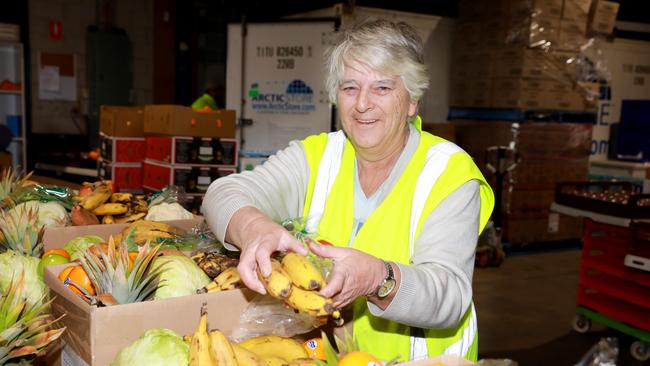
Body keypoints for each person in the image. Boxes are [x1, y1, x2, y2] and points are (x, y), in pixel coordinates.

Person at [202, 19, 494, 362]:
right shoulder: (317, 157)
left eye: (382, 88)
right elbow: (223, 192)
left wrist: (378, 278)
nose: (362, 104)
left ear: (412, 100)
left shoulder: (448, 172)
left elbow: (449, 297)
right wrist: (254, 227)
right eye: (350, 87)